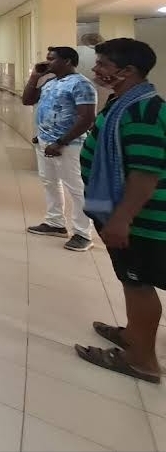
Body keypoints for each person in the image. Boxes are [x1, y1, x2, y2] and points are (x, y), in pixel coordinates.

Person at [75, 38, 166, 384]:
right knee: (132, 282)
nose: (96, 70)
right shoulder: (125, 103)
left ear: (127, 71)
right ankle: (133, 335)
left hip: (141, 219)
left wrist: (122, 218)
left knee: (138, 283)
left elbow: (145, 173)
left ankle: (141, 359)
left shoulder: (144, 111)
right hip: (125, 213)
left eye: (102, 65)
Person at [21, 46, 97, 251]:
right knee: (49, 182)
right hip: (46, 141)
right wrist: (34, 76)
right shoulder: (50, 82)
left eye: (52, 59)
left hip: (69, 145)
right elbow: (27, 100)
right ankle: (55, 222)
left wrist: (61, 141)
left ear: (68, 61)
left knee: (76, 187)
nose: (47, 63)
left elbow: (87, 118)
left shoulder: (81, 84)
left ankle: (83, 233)